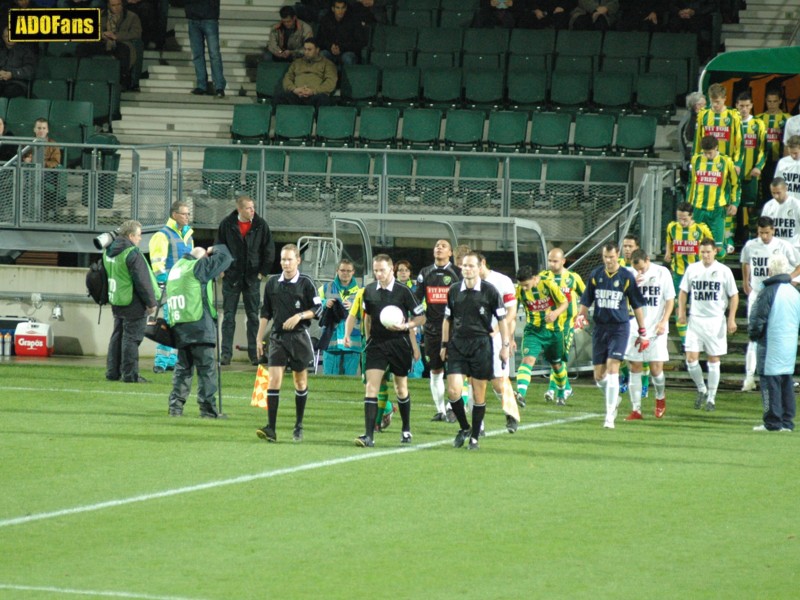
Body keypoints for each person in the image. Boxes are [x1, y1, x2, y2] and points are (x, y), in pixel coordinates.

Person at [345, 253, 425, 448]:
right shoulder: (369, 291)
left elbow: (420, 318)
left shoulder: (403, 291)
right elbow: (367, 316)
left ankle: (406, 429)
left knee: (401, 388)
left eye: (382, 270)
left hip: (399, 343)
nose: (378, 274)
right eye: (376, 270)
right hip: (377, 344)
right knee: (371, 387)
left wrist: (407, 328)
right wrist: (364, 335)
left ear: (391, 270)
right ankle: (369, 435)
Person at [441, 252, 510, 451]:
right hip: (457, 345)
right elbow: (448, 319)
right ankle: (464, 427)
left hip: (481, 345)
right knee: (453, 391)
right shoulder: (454, 290)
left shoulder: (490, 291)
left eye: (471, 266)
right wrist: (444, 345)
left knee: (479, 395)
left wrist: (505, 347)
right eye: (464, 266)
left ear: (480, 268)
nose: (467, 269)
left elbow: (503, 321)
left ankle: (474, 437)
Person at [575, 242, 647, 429]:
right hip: (600, 328)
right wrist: (580, 316)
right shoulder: (596, 275)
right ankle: (614, 398)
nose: (608, 260)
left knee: (613, 367)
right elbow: (586, 300)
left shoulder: (626, 276)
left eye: (612, 257)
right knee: (599, 376)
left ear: (618, 256)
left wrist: (642, 330)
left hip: (620, 328)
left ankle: (609, 416)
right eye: (605, 257)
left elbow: (637, 305)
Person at [255, 244, 322, 443]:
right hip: (277, 338)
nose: (285, 263)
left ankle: (298, 425)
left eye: (289, 259)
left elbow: (318, 309)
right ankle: (271, 428)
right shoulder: (273, 283)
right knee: (273, 381)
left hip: (299, 338)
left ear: (298, 260)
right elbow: (265, 312)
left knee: (300, 382)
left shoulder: (306, 282)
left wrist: (299, 316)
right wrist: (259, 338)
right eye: (283, 259)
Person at [166, 244, 232, 418]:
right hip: (199, 326)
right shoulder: (198, 266)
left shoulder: (178, 267)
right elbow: (225, 258)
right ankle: (208, 411)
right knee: (207, 371)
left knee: (183, 369)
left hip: (180, 326)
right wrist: (215, 248)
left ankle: (175, 408)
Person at [739, 216, 800, 392]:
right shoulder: (751, 245)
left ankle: (782, 377)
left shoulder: (783, 246)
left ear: (773, 230)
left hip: (778, 293)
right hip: (758, 293)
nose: (764, 236)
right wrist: (745, 281)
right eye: (761, 233)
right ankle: (749, 377)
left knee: (778, 334)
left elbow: (798, 264)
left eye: (767, 232)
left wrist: (790, 279)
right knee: (754, 336)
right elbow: (745, 262)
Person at [677, 238, 739, 411]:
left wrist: (731, 318)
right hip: (695, 319)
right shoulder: (692, 269)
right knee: (691, 359)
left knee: (713, 359)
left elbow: (734, 295)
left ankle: (711, 397)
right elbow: (683, 292)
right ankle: (701, 389)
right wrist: (681, 311)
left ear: (715, 252)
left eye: (708, 252)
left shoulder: (724, 271)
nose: (705, 255)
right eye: (702, 252)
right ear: (699, 252)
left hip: (715, 320)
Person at [215, 195, 275, 366]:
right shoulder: (227, 224)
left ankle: (254, 354)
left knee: (253, 317)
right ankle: (225, 354)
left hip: (252, 278)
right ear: (239, 209)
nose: (252, 210)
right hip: (231, 277)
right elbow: (219, 247)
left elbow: (269, 250)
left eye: (252, 207)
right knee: (228, 317)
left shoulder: (261, 225)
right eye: (248, 208)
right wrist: (222, 270)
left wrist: (262, 273)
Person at [748, 253, 800, 432]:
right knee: (786, 380)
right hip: (790, 344)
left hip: (771, 343)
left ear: (770, 270)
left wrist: (754, 335)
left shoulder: (768, 291)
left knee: (769, 381)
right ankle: (787, 421)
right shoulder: (794, 292)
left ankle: (772, 422)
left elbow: (757, 318)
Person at [104, 220, 158, 384]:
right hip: (133, 302)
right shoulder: (132, 253)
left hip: (117, 299)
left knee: (117, 336)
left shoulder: (108, 251)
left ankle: (112, 372)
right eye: (139, 236)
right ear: (130, 236)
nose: (140, 239)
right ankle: (130, 375)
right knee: (131, 339)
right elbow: (142, 281)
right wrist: (151, 303)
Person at [623, 249, 675, 420]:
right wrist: (632, 285)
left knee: (656, 370)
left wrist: (664, 321)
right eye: (636, 269)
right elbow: (621, 299)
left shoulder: (662, 272)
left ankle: (660, 397)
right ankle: (636, 409)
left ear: (647, 260)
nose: (639, 272)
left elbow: (670, 299)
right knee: (635, 367)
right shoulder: (628, 275)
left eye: (642, 269)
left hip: (656, 328)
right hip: (634, 328)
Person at [416, 239, 461, 422]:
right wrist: (419, 317)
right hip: (432, 329)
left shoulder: (458, 273)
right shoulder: (425, 272)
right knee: (435, 370)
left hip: (455, 328)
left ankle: (453, 407)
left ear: (450, 253)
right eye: (436, 245)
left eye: (443, 246)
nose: (439, 248)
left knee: (455, 369)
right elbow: (415, 299)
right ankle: (441, 410)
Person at [148, 201, 194, 374]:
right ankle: (160, 361)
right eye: (184, 214)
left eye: (188, 214)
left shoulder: (188, 235)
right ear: (174, 215)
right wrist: (165, 282)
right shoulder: (162, 235)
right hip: (170, 286)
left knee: (178, 323)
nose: (187, 217)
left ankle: (172, 360)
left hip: (184, 286)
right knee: (168, 322)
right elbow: (157, 264)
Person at [515, 265, 569, 409]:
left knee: (556, 365)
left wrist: (555, 313)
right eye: (522, 285)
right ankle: (520, 393)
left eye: (526, 285)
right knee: (528, 360)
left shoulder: (549, 284)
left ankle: (562, 392)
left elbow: (565, 302)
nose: (525, 288)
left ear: (534, 278)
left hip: (554, 331)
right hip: (533, 331)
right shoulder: (520, 290)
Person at [478, 254, 519, 432]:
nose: (469, 269)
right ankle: (478, 425)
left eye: (473, 265)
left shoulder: (502, 281)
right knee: (474, 380)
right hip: (475, 338)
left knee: (498, 381)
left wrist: (504, 336)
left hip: (497, 338)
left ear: (483, 263)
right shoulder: (466, 284)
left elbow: (511, 312)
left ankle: (511, 413)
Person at [539, 247, 585, 403]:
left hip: (566, 324)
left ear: (563, 261)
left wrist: (581, 316)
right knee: (553, 358)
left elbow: (586, 296)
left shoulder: (573, 278)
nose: (552, 264)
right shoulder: (543, 277)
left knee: (559, 358)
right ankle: (566, 388)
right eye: (550, 261)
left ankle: (554, 391)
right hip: (549, 324)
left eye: (555, 261)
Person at [663, 201, 713, 345]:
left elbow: (711, 245)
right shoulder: (672, 227)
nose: (682, 221)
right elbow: (669, 240)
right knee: (679, 306)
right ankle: (686, 343)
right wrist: (668, 251)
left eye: (685, 219)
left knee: (699, 306)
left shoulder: (701, 229)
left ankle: (701, 339)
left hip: (697, 274)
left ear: (692, 216)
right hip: (679, 272)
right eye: (679, 218)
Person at [686, 134, 740, 258]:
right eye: (705, 153)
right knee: (697, 246)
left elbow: (736, 184)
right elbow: (691, 183)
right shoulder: (696, 159)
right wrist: (689, 205)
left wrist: (734, 203)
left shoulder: (726, 161)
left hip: (717, 210)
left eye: (710, 153)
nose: (707, 156)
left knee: (718, 250)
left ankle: (718, 274)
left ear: (716, 148)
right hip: (698, 209)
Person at [76, 0, 143, 91]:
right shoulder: (100, 15)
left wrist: (116, 36)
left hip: (120, 43)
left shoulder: (132, 16)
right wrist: (102, 34)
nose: (117, 7)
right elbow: (90, 30)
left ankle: (123, 81)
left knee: (124, 50)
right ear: (108, 5)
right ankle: (80, 77)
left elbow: (136, 33)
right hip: (102, 42)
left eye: (119, 4)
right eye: (113, 5)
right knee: (82, 48)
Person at [318, 258, 361, 375]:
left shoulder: (361, 291)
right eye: (342, 270)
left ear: (353, 272)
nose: (345, 273)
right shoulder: (324, 288)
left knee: (350, 380)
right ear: (337, 271)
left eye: (348, 271)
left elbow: (368, 314)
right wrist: (324, 303)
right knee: (329, 379)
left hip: (352, 343)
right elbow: (314, 308)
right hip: (331, 341)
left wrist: (355, 307)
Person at [733, 91, 766, 247]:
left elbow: (763, 149)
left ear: (752, 106)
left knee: (751, 207)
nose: (744, 109)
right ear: (736, 106)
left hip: (751, 174)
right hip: (733, 174)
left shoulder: (758, 124)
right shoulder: (733, 123)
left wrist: (758, 167)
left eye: (747, 106)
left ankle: (752, 237)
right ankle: (733, 239)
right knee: (732, 207)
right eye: (741, 106)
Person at [273, 38, 337, 108]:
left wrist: (313, 91)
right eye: (305, 49)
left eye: (309, 50)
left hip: (315, 96)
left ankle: (317, 118)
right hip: (297, 95)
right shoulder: (296, 63)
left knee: (324, 99)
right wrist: (294, 89)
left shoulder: (327, 64)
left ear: (317, 50)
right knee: (279, 97)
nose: (306, 52)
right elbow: (287, 78)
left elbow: (330, 82)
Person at [693, 84, 742, 172]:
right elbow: (697, 140)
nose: (715, 105)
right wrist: (695, 161)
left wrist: (738, 163)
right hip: (706, 162)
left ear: (724, 98)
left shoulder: (734, 115)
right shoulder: (703, 114)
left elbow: (740, 141)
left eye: (717, 102)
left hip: (727, 163)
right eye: (712, 101)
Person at [756, 89, 791, 207]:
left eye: (775, 101)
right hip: (763, 162)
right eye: (769, 101)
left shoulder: (788, 119)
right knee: (765, 191)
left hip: (780, 161)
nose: (772, 104)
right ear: (765, 101)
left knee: (780, 189)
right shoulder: (758, 118)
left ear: (780, 101)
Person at [185, 0, 226, 98]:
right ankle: (201, 85)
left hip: (209, 17)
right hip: (193, 17)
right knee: (197, 54)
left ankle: (219, 86)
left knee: (214, 54)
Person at [316, 0, 366, 68]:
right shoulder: (326, 20)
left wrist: (342, 47)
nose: (340, 11)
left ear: (346, 8)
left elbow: (360, 42)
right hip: (329, 51)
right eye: (338, 8)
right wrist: (330, 46)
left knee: (348, 58)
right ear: (333, 9)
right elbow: (319, 40)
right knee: (322, 55)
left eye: (343, 8)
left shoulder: (353, 21)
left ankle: (347, 78)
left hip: (347, 52)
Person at [761, 177, 800, 253]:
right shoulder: (768, 206)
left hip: (794, 248)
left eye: (778, 193)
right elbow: (762, 228)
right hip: (774, 248)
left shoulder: (797, 205)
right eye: (773, 193)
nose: (776, 196)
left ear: (785, 189)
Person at [678, 91, 707, 184]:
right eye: (702, 104)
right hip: (691, 158)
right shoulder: (689, 119)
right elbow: (684, 139)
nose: (705, 107)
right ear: (695, 106)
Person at [0, 26, 35, 98]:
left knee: (9, 91)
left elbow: (30, 70)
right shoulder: (1, 50)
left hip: (17, 83)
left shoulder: (25, 51)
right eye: (7, 36)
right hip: (1, 81)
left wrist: (12, 74)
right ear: (3, 38)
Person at [775, 135, 800, 200]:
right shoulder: (782, 162)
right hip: (786, 202)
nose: (792, 156)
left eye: (795, 153)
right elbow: (777, 183)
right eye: (790, 153)